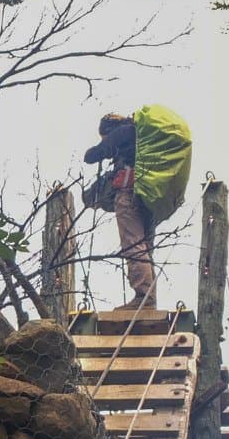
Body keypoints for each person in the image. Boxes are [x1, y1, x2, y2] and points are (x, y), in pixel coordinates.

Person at [83, 105, 193, 309]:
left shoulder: (122, 132)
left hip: (128, 196)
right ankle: (148, 299)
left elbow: (91, 156)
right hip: (147, 198)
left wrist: (105, 146)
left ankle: (143, 297)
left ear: (108, 129)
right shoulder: (141, 137)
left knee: (132, 245)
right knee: (145, 247)